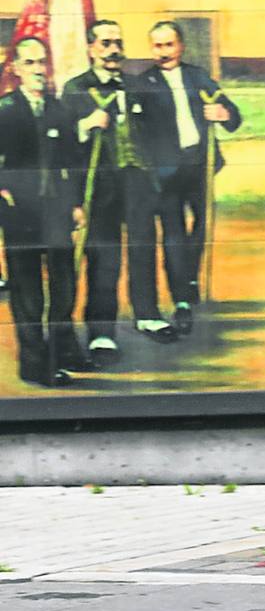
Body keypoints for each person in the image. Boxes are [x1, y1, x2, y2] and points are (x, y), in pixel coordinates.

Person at [62, 19, 178, 363]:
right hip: (100, 186)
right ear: (91, 49)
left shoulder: (137, 85)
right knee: (104, 258)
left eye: (117, 42)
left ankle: (147, 315)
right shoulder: (75, 89)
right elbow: (65, 140)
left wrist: (159, 173)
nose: (113, 49)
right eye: (106, 43)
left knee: (144, 248)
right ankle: (101, 333)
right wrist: (87, 124)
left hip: (139, 182)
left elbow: (162, 133)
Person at [133, 21, 242, 335]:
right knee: (174, 234)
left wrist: (223, 114)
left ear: (180, 46)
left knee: (202, 226)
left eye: (169, 45)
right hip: (167, 174)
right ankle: (182, 300)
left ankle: (189, 276)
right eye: (157, 46)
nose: (164, 52)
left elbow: (233, 113)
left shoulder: (198, 77)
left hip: (199, 164)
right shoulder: (144, 83)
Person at [0, 38, 88, 386]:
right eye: (30, 63)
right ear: (16, 69)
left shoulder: (58, 110)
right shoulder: (5, 110)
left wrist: (77, 204)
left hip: (56, 211)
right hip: (18, 213)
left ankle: (63, 351)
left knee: (65, 286)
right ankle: (35, 364)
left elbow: (73, 161)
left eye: (42, 63)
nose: (38, 70)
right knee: (28, 292)